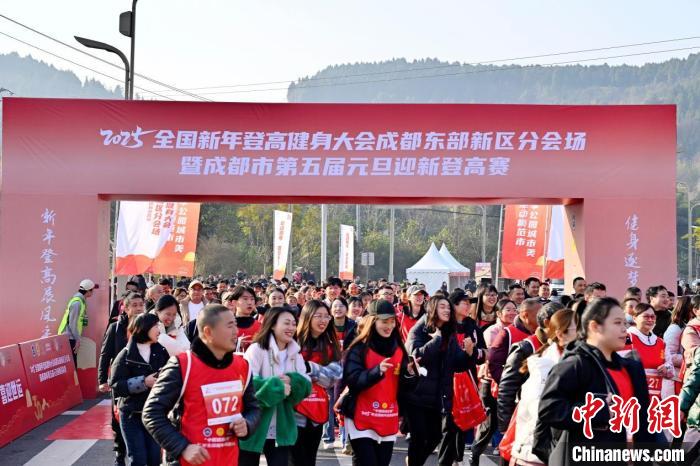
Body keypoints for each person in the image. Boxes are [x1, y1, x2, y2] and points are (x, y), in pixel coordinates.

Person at [536, 297, 660, 464]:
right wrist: (597, 412)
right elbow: (549, 410)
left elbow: (643, 420)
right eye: (617, 323)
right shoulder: (574, 365)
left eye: (625, 323)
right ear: (595, 326)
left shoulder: (631, 367)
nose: (624, 329)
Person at [142, 304, 261, 465]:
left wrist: (247, 424)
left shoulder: (242, 366)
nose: (236, 331)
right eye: (229, 326)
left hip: (229, 460)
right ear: (208, 332)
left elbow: (253, 408)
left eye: (235, 324)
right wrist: (182, 447)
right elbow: (151, 413)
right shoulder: (183, 365)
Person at [338, 299, 417, 466]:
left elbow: (405, 387)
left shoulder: (399, 348)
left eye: (392, 321)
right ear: (373, 322)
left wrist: (410, 374)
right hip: (361, 415)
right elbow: (353, 380)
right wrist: (376, 371)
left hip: (387, 415)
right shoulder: (358, 348)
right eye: (384, 321)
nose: (389, 326)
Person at [405, 296, 478, 466]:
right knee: (419, 437)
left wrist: (469, 354)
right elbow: (415, 356)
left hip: (438, 395)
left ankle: (414, 462)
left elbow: (457, 364)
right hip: (416, 395)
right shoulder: (420, 329)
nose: (447, 310)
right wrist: (437, 339)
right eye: (442, 307)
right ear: (432, 309)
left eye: (448, 307)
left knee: (435, 436)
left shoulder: (448, 332)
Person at [239, 307, 311, 466]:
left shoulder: (295, 353)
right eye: (286, 323)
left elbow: (306, 384)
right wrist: (277, 387)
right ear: (272, 325)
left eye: (294, 324)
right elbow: (247, 383)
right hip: (254, 423)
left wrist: (293, 381)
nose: (291, 327)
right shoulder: (257, 349)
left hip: (281, 424)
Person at [474, 298, 541, 466]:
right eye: (538, 314)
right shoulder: (507, 333)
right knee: (489, 427)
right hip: (497, 389)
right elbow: (494, 362)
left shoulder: (538, 335)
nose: (541, 318)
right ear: (525, 315)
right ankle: (474, 456)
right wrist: (508, 384)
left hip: (523, 395)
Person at [508, 309, 578, 466]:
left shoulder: (570, 365)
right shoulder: (545, 367)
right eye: (578, 330)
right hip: (534, 456)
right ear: (561, 335)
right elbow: (542, 412)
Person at [497, 301, 564, 435]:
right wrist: (505, 425)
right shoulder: (526, 347)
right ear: (547, 323)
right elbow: (507, 388)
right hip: (527, 420)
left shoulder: (566, 347)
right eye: (562, 323)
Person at [110, 313, 169, 466]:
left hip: (154, 414)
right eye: (155, 326)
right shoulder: (125, 355)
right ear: (144, 328)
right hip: (131, 415)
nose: (159, 330)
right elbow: (116, 384)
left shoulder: (161, 351)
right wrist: (143, 382)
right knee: (138, 459)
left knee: (154, 459)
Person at [292, 300, 343, 466]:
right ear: (307, 316)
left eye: (326, 316)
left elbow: (332, 378)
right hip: (292, 412)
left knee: (309, 460)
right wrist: (319, 373)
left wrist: (309, 368)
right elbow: (289, 374)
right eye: (318, 316)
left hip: (316, 409)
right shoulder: (292, 342)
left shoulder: (330, 345)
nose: (323, 320)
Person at [99, 291, 145, 466]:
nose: (138, 308)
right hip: (121, 381)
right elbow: (105, 355)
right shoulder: (116, 328)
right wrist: (102, 380)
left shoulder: (149, 326)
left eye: (141, 304)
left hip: (144, 379)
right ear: (125, 308)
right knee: (118, 418)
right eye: (134, 305)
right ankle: (120, 454)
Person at [622, 303, 674, 400]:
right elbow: (619, 366)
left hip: (656, 398)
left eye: (653, 317)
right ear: (635, 318)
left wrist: (666, 369)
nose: (650, 320)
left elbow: (670, 367)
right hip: (633, 397)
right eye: (646, 316)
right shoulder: (627, 337)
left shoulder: (660, 342)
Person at [58, 278, 99, 366]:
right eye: (92, 290)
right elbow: (72, 324)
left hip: (70, 336)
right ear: (88, 291)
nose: (93, 292)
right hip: (69, 337)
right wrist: (77, 339)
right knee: (72, 365)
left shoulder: (80, 301)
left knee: (71, 363)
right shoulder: (77, 303)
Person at [665, 295, 694, 393]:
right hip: (676, 379)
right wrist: (692, 359)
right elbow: (670, 356)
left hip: (686, 377)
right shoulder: (674, 329)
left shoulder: (687, 327)